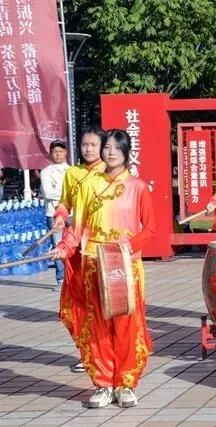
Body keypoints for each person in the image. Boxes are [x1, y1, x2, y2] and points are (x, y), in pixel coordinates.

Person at [50, 129, 155, 408]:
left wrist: (127, 246)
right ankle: (103, 383)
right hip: (94, 262)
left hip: (124, 264)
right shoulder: (88, 185)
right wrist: (65, 247)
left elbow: (150, 229)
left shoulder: (138, 187)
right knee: (97, 324)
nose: (110, 152)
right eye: (107, 147)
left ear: (126, 152)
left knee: (126, 323)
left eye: (116, 148)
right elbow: (77, 227)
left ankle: (126, 382)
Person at [53, 126, 107, 374]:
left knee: (101, 303)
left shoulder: (108, 173)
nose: (88, 149)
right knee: (75, 304)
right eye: (85, 144)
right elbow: (65, 202)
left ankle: (102, 354)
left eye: (94, 145)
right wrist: (60, 215)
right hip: (75, 246)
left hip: (100, 247)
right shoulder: (72, 173)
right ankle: (86, 352)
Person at [40, 140, 70, 289]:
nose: (58, 154)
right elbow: (47, 193)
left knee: (73, 244)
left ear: (66, 153)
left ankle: (74, 277)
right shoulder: (46, 172)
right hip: (53, 213)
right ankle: (61, 278)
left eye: (60, 151)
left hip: (72, 213)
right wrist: (67, 195)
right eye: (55, 151)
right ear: (51, 154)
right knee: (58, 246)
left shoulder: (72, 171)